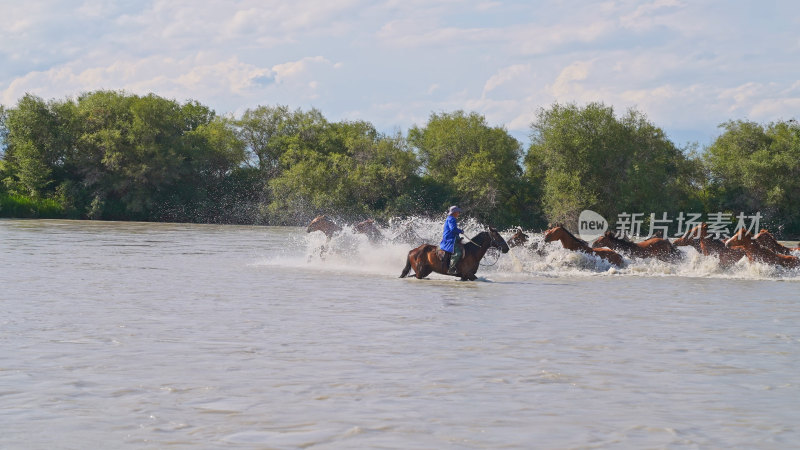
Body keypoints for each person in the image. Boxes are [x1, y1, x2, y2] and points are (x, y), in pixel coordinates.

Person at [439, 206, 464, 274]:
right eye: (458, 212)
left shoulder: (451, 218)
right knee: (458, 253)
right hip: (450, 238)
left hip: (453, 237)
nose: (458, 213)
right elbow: (453, 229)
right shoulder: (451, 219)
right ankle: (451, 269)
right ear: (454, 212)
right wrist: (460, 231)